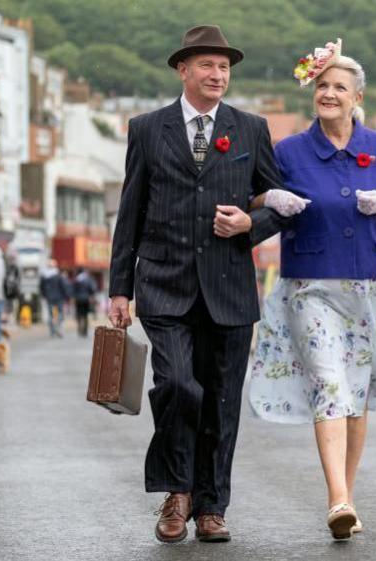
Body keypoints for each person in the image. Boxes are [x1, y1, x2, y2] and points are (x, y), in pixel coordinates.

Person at [106, 26, 290, 544]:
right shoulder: (147, 129)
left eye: (225, 67)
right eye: (207, 65)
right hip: (164, 284)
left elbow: (281, 201)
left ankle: (212, 506)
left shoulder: (251, 129)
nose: (218, 75)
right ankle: (176, 491)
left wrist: (251, 225)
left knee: (222, 402)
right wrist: (120, 288)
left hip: (230, 288)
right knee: (178, 385)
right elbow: (131, 211)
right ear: (182, 69)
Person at [246, 40, 376, 541]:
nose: (329, 93)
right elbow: (256, 200)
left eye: (339, 86)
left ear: (357, 96)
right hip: (310, 287)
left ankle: (350, 490)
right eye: (322, 85)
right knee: (330, 384)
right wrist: (268, 195)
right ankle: (337, 500)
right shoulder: (290, 151)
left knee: (357, 394)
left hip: (371, 290)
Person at [39, 260, 68, 338]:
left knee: (50, 315)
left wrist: (44, 295)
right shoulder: (58, 275)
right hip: (59, 297)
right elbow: (63, 286)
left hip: (49, 297)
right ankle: (58, 325)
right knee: (61, 313)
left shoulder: (44, 276)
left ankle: (52, 331)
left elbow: (41, 288)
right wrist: (66, 296)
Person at [71, 268, 97, 338]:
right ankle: (84, 330)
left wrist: (73, 297)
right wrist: (91, 296)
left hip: (78, 299)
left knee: (79, 314)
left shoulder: (76, 280)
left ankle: (79, 328)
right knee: (85, 315)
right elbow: (92, 289)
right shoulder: (88, 279)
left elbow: (72, 290)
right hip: (86, 299)